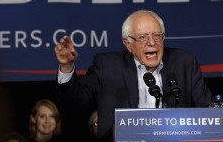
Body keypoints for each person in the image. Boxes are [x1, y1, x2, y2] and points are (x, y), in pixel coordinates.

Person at [54, 9, 213, 142]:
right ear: (128, 44)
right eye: (143, 37)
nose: (152, 43)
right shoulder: (107, 65)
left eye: (157, 35)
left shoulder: (184, 62)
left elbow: (209, 111)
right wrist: (67, 66)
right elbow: (76, 99)